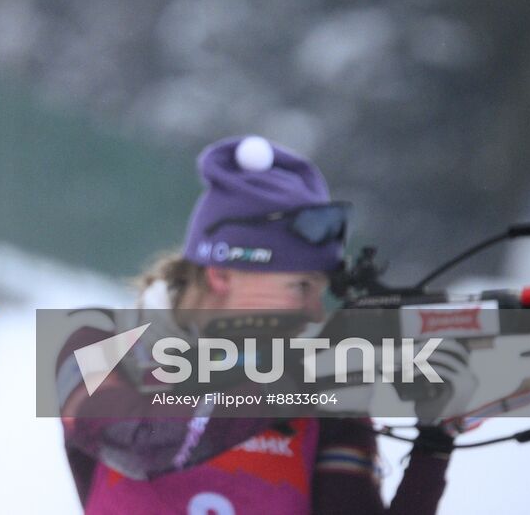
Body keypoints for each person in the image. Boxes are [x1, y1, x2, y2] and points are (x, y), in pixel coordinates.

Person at [59, 136, 465, 514]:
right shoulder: (96, 343)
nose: (314, 313)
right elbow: (141, 441)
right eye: (299, 286)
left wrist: (435, 443)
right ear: (222, 274)